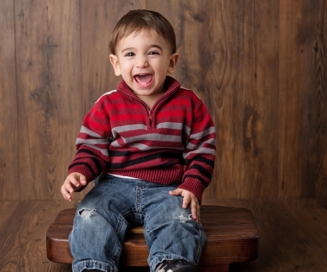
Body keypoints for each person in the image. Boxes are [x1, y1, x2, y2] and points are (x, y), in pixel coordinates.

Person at [61, 9, 216, 272]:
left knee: (178, 218)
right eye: (130, 54)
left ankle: (172, 263)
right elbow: (92, 147)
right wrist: (80, 171)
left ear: (171, 61)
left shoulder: (189, 104)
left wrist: (192, 184)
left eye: (153, 52)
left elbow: (202, 150)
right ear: (116, 63)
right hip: (113, 185)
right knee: (91, 214)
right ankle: (93, 266)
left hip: (166, 186)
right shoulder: (107, 105)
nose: (142, 62)